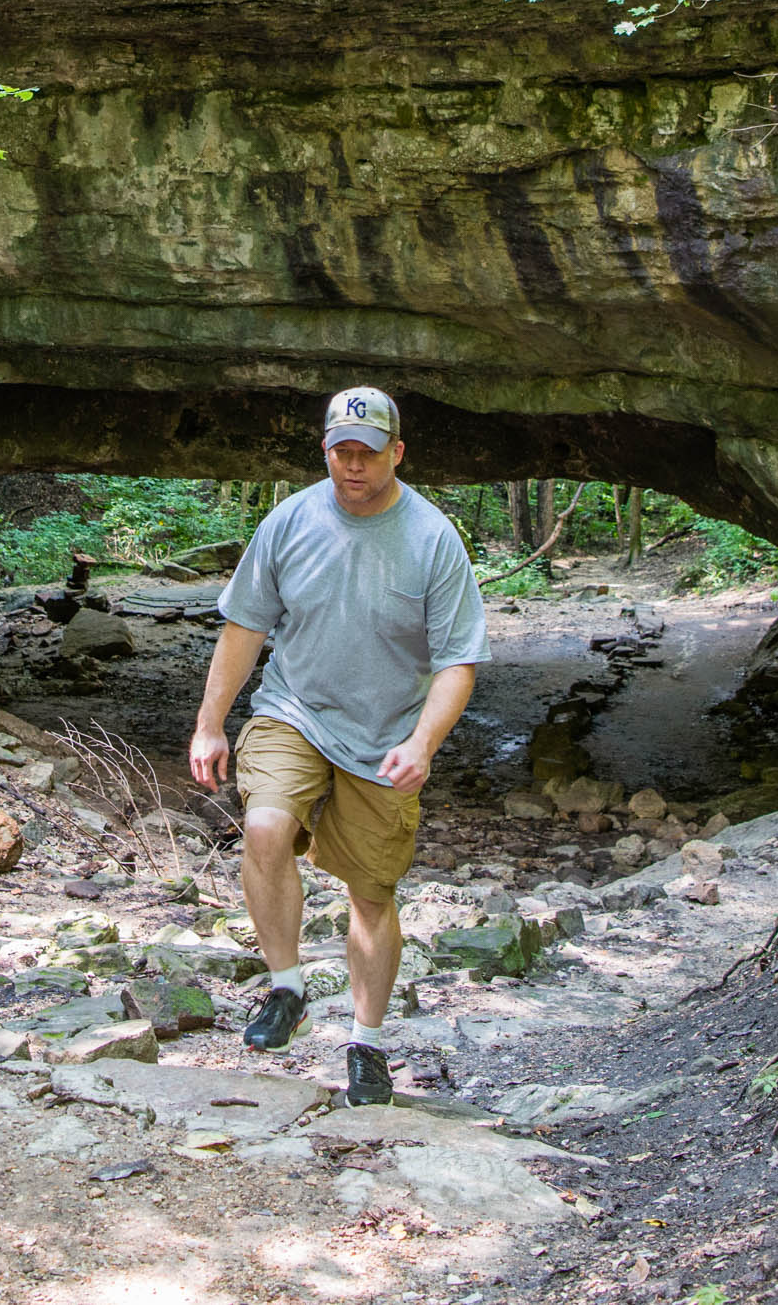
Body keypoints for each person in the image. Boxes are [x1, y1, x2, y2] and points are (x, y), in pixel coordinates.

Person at [186, 384, 489, 1106]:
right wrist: (209, 722)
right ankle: (285, 988)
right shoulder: (289, 522)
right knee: (264, 825)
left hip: (385, 738)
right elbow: (244, 629)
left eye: (367, 453)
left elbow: (458, 661)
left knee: (371, 894)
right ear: (325, 451)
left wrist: (423, 743)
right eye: (340, 452)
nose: (352, 467)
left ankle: (366, 1043)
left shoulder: (432, 539)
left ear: (397, 453)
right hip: (294, 710)